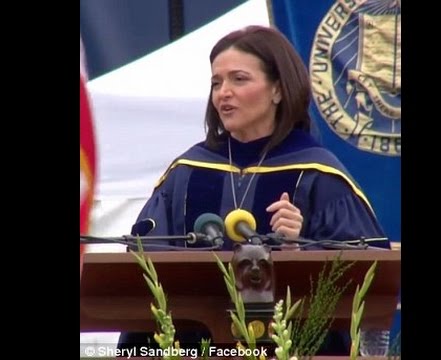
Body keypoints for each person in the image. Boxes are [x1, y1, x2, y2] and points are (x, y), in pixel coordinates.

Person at [118, 25, 389, 355]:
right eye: (216, 83)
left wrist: (303, 248)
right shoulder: (187, 172)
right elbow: (143, 263)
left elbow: (370, 275)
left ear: (277, 89)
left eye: (239, 79)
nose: (223, 93)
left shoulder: (318, 172)